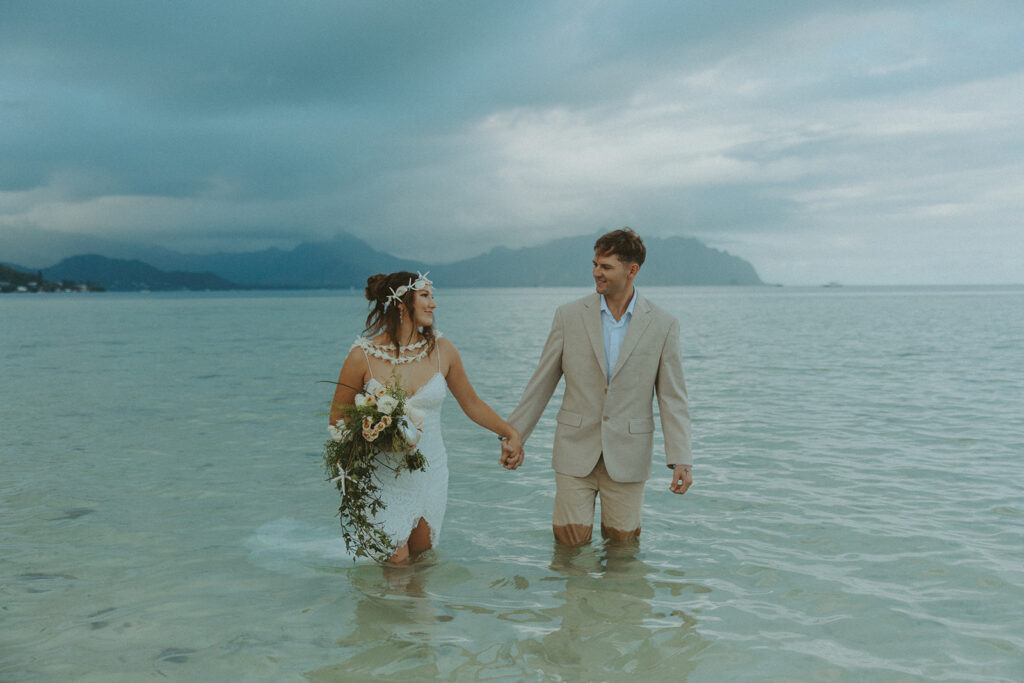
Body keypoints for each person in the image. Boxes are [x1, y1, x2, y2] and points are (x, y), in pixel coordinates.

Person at [502, 228, 692, 546]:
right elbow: (541, 382)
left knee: (623, 548)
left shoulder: (663, 324)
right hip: (574, 451)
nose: (596, 273)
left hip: (629, 455)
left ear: (632, 270)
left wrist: (681, 459)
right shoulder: (568, 316)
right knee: (568, 546)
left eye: (606, 266)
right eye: (595, 264)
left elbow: (672, 398)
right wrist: (514, 434)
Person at [330, 271, 523, 564]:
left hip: (431, 472)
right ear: (400, 303)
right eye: (425, 296)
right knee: (396, 568)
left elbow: (471, 403)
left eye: (432, 296)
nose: (433, 304)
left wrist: (510, 432)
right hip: (383, 477)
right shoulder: (362, 356)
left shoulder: (443, 351)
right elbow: (338, 421)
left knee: (422, 564)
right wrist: (380, 440)